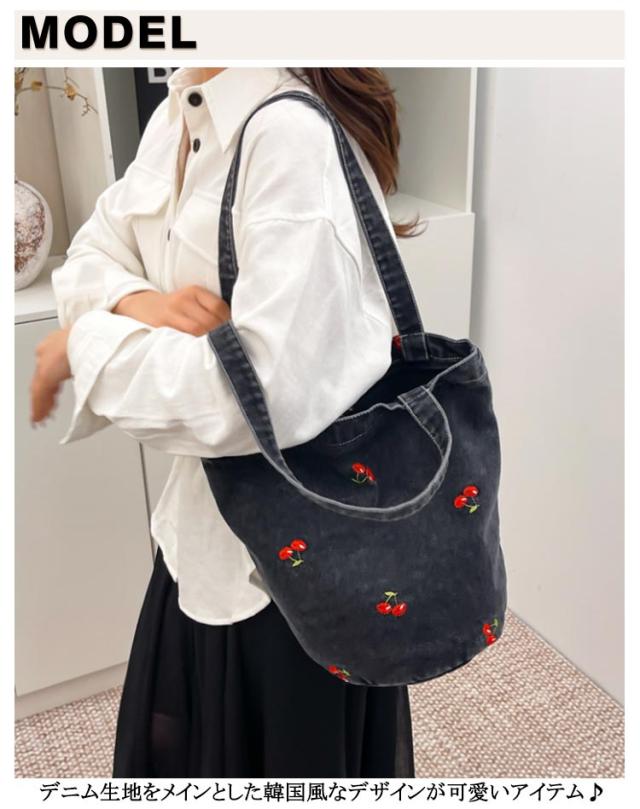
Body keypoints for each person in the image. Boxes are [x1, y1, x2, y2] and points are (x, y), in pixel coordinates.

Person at [30, 66, 420, 778]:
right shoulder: (178, 114)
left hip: (290, 571)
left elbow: (250, 398)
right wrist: (146, 306)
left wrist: (82, 342)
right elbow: (90, 256)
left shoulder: (288, 136)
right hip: (200, 532)